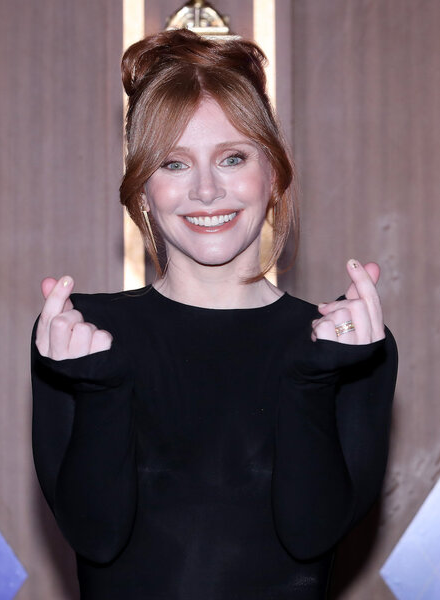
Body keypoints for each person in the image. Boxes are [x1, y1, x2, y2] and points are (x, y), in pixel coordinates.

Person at [31, 28, 397, 600]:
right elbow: (97, 540)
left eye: (232, 158)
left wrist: (311, 381)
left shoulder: (346, 342)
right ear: (142, 190)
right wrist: (102, 391)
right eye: (174, 164)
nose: (206, 190)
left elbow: (310, 536)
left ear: (273, 174)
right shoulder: (80, 337)